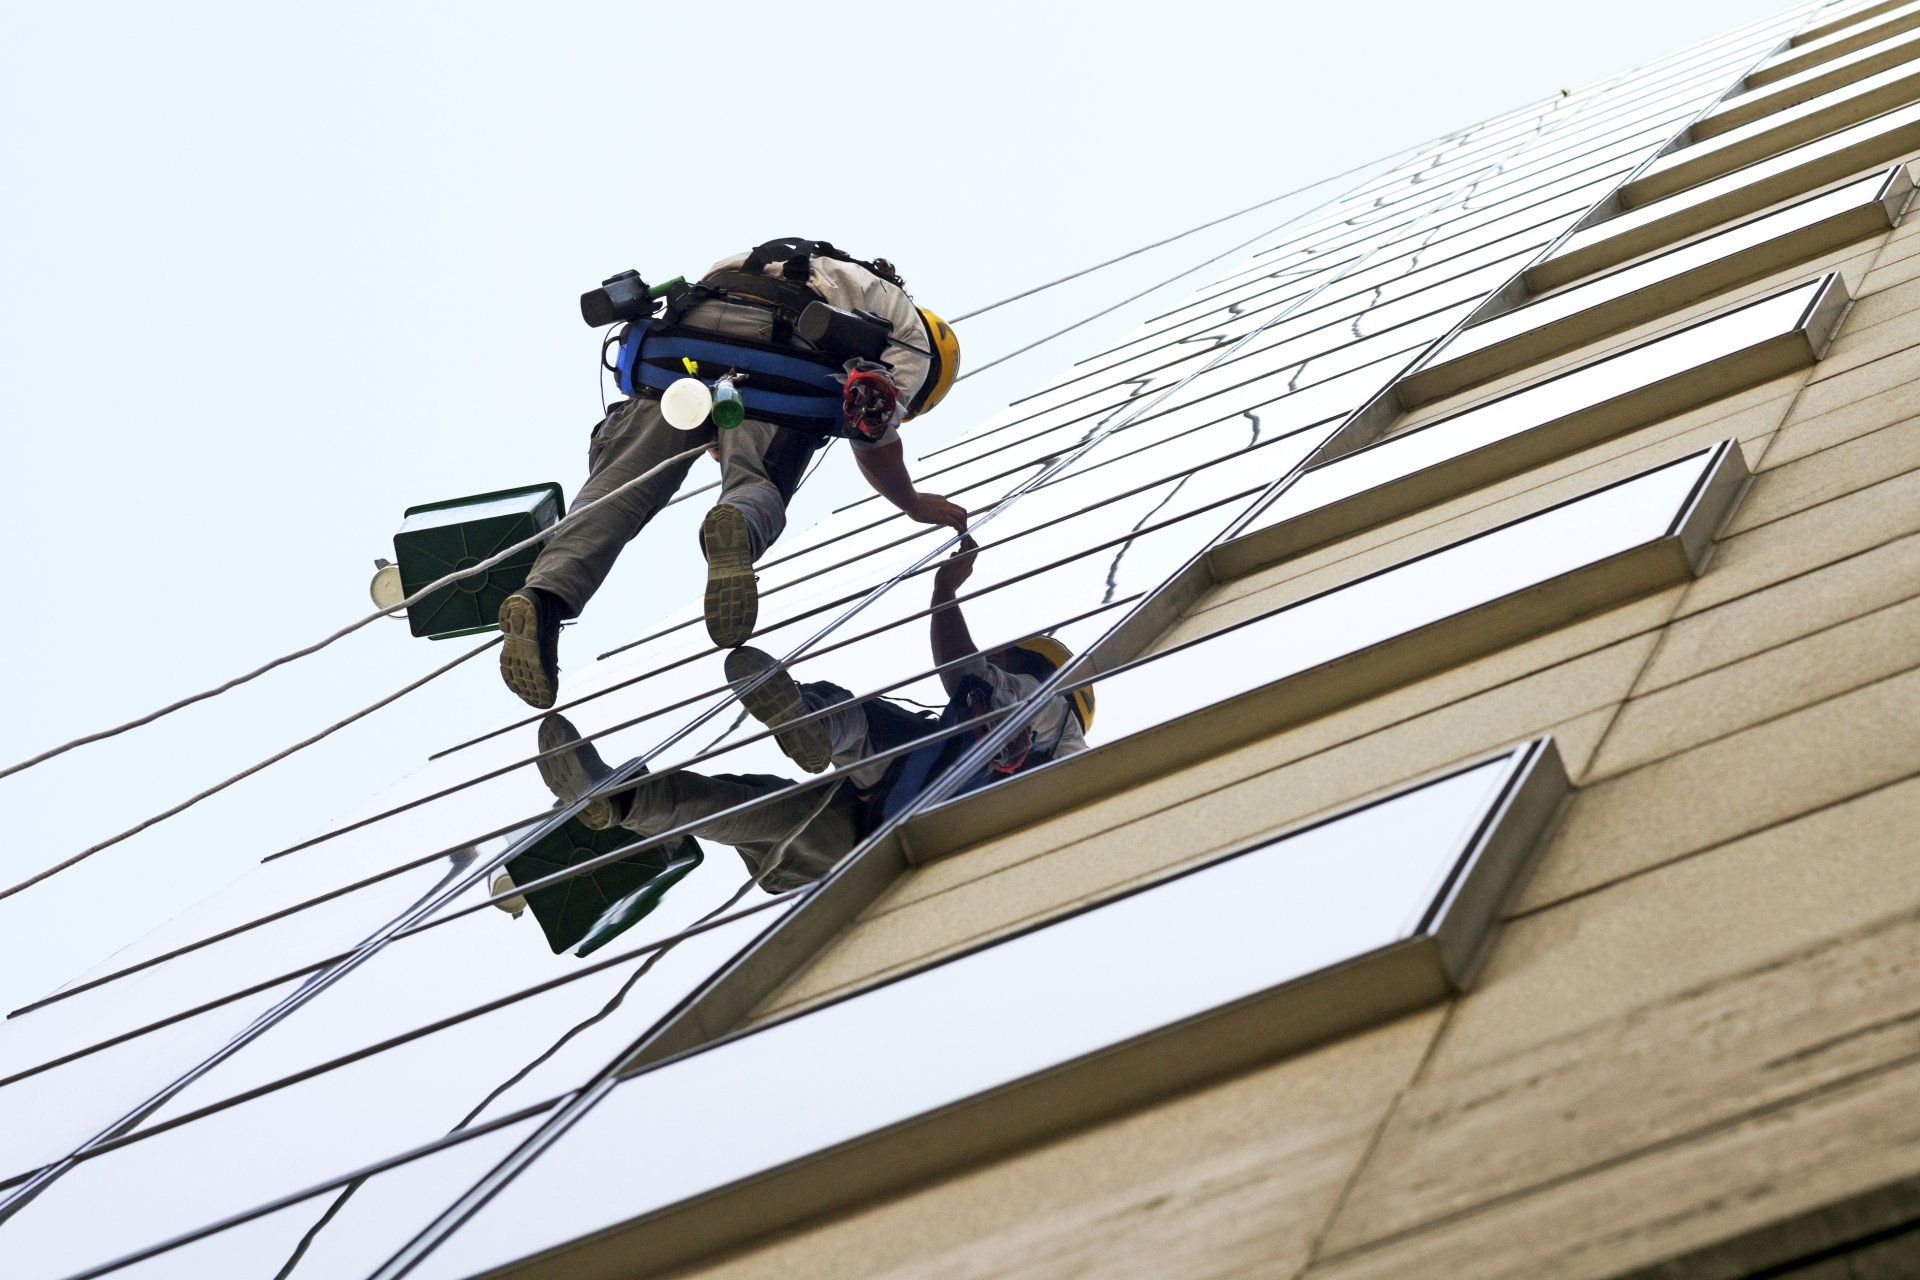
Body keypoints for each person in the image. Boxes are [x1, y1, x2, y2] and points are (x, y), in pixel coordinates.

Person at [497, 237, 968, 710]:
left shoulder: (785, 260)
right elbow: (874, 430)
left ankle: (543, 600)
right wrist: (911, 502)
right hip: (781, 358)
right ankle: (737, 527)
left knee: (618, 490)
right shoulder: (915, 338)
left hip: (681, 345)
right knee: (756, 482)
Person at [530, 539, 1094, 892]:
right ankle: (619, 800)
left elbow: (963, 671)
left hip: (901, 801)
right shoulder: (1067, 767)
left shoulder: (1047, 708)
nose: (998, 655)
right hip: (879, 844)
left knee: (853, 720)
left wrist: (945, 589)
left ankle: (814, 727)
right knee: (747, 805)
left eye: (1008, 652)